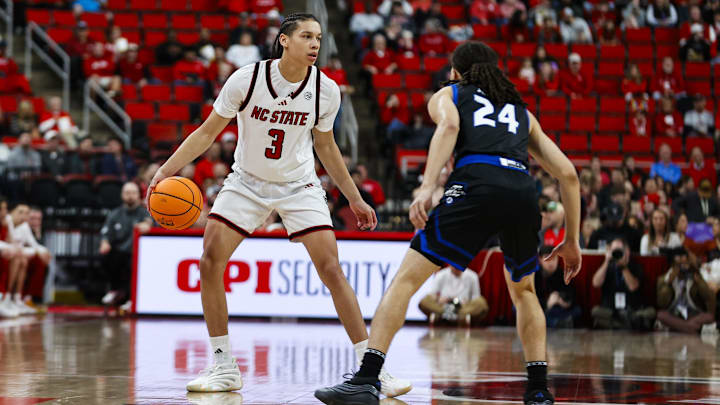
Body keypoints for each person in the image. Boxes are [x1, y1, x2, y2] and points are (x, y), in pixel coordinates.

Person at [145, 13, 410, 397]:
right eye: (306, 36)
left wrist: (354, 197)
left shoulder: (326, 89)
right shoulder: (247, 79)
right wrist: (164, 171)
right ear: (284, 40)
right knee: (210, 258)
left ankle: (372, 369)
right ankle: (223, 366)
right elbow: (207, 132)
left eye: (318, 37)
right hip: (247, 182)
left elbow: (327, 147)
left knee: (332, 268)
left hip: (299, 185)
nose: (315, 43)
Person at [315, 41, 582, 405]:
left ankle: (366, 378)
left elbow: (451, 125)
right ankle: (538, 388)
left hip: (475, 184)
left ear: (456, 71)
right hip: (521, 190)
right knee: (524, 292)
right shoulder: (521, 112)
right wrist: (572, 240)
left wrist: (426, 187)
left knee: (405, 281)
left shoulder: (451, 94)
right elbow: (567, 174)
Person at [99, 182, 152, 309]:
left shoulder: (145, 213)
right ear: (122, 195)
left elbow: (151, 224)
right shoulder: (115, 214)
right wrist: (104, 242)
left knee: (132, 263)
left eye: (133, 193)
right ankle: (115, 290)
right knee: (106, 257)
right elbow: (106, 233)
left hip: (138, 253)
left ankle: (131, 298)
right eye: (127, 193)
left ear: (139, 195)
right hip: (119, 252)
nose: (130, 196)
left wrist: (147, 226)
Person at [591, 238, 656, 330]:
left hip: (632, 309)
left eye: (619, 251)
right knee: (595, 311)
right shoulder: (608, 267)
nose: (617, 254)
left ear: (627, 252)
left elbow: (633, 287)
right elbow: (596, 284)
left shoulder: (635, 266)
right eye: (614, 251)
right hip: (612, 310)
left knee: (651, 312)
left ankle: (621, 324)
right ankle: (629, 324)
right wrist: (606, 262)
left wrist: (624, 267)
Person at [657, 247, 716, 333]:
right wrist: (668, 284)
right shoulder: (663, 279)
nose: (682, 268)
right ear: (673, 264)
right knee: (661, 315)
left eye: (684, 264)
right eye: (679, 265)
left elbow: (710, 296)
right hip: (674, 312)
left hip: (692, 313)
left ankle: (678, 327)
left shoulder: (695, 275)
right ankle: (691, 327)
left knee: (709, 316)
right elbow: (661, 303)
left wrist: (699, 282)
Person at [418, 265, 488, 326]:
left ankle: (451, 316)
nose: (456, 268)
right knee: (425, 301)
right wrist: (439, 299)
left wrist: (467, 302)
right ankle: (448, 315)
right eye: (454, 265)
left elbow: (476, 297)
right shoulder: (441, 274)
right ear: (450, 264)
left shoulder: (472, 275)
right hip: (443, 306)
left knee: (481, 303)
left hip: (463, 307)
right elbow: (432, 294)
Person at [535, 245, 580, 328]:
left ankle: (558, 322)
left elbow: (572, 297)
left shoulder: (564, 274)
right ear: (540, 260)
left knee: (577, 311)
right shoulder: (535, 276)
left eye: (554, 258)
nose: (551, 262)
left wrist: (562, 302)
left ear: (558, 259)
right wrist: (547, 303)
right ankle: (557, 323)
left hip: (560, 309)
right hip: (541, 309)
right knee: (521, 310)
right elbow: (531, 299)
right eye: (547, 259)